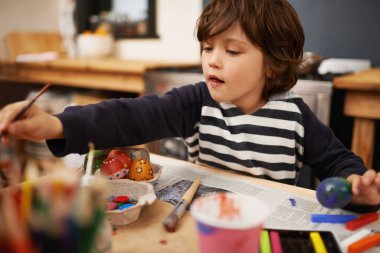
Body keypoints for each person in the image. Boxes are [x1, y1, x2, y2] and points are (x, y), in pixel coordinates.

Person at [0, 0, 379, 210]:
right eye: (207, 48)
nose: (212, 60)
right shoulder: (196, 101)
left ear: (273, 65)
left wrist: (355, 186)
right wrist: (55, 125)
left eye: (231, 50)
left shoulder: (296, 115)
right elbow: (130, 116)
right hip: (201, 222)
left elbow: (340, 163)